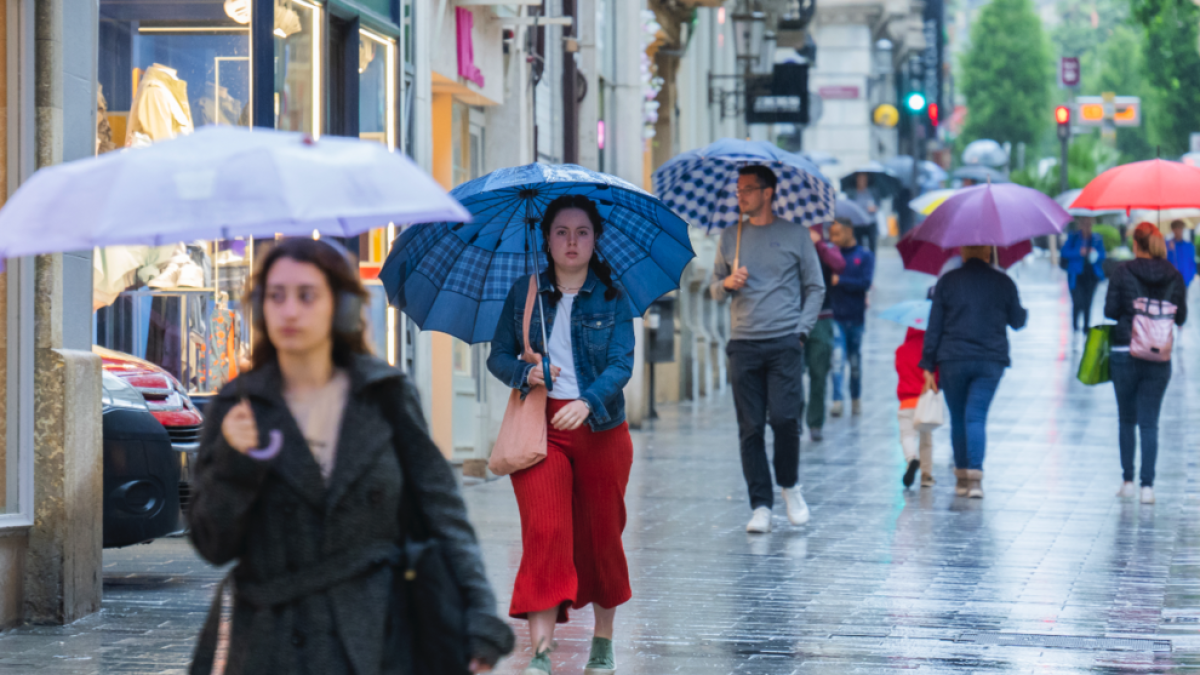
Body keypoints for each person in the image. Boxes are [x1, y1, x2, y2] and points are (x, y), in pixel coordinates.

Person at [188, 238, 512, 675]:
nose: (289, 310)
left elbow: (443, 514)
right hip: (272, 644)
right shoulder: (239, 406)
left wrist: (480, 618)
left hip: (377, 634)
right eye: (275, 295)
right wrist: (235, 461)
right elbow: (213, 545)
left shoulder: (384, 395)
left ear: (339, 306)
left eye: (307, 295)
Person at [487, 195, 636, 675]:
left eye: (583, 232)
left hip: (600, 428)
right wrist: (525, 375)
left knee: (601, 537)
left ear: (596, 239)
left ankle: (603, 642)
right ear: (546, 239)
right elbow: (499, 356)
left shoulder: (614, 297)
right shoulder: (524, 293)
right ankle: (542, 654)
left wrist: (587, 401)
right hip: (540, 428)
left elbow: (621, 363)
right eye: (561, 232)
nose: (572, 242)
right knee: (546, 532)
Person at [710, 165, 825, 534]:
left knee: (786, 419)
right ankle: (761, 505)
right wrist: (727, 282)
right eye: (738, 189)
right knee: (751, 428)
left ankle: (790, 485)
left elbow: (816, 287)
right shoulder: (731, 237)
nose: (740, 195)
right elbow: (713, 287)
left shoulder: (795, 236)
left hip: (784, 342)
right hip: (743, 343)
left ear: (768, 192)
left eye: (748, 189)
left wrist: (801, 332)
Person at [920, 246, 1027, 499]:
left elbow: (934, 325)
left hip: (952, 359)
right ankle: (975, 480)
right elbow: (1018, 321)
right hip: (990, 360)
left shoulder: (947, 282)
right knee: (976, 417)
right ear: (989, 253)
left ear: (964, 253)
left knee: (958, 417)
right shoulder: (1003, 281)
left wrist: (927, 364)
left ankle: (961, 479)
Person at [1104, 223, 1187, 505]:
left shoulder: (1122, 271)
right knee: (1149, 423)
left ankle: (1127, 481)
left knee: (1127, 419)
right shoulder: (1174, 275)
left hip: (1124, 350)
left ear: (1136, 244)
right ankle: (1147, 487)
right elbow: (1182, 317)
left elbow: (1110, 311)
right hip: (1158, 356)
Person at [828, 217, 875, 417]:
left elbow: (865, 282)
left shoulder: (864, 255)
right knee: (837, 359)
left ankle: (855, 397)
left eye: (837, 233)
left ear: (849, 231)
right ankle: (837, 399)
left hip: (855, 317)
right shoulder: (830, 256)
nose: (834, 238)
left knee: (854, 362)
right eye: (831, 234)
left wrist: (841, 281)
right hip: (835, 316)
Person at [804, 224, 845, 441]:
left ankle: (815, 423)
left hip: (821, 318)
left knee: (819, 373)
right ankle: (791, 418)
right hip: (792, 317)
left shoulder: (826, 246)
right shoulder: (791, 242)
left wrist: (818, 243)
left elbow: (839, 264)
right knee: (790, 373)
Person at [896, 325, 937, 488]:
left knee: (907, 436)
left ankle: (912, 459)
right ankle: (926, 476)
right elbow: (936, 375)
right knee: (926, 439)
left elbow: (899, 369)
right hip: (925, 402)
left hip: (906, 402)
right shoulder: (930, 353)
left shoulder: (901, 350)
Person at [1060, 217, 1107, 333]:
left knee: (1088, 302)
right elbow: (1064, 252)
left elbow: (1103, 255)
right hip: (1076, 275)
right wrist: (1079, 252)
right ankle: (1075, 326)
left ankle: (1086, 327)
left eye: (1089, 224)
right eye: (1084, 223)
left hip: (1091, 275)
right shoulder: (1074, 237)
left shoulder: (1096, 239)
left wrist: (1094, 253)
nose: (1087, 226)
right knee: (1077, 301)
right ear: (1080, 224)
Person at [851, 172, 879, 253]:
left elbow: (878, 204)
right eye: (860, 179)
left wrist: (874, 208)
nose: (862, 181)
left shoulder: (872, 191)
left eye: (864, 179)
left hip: (871, 221)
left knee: (872, 244)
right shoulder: (853, 193)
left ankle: (872, 261)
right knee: (859, 245)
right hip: (858, 222)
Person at [1166, 219, 1196, 288]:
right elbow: (1165, 262)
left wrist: (1189, 279)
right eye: (1175, 228)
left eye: (1179, 228)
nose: (1178, 230)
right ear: (1172, 230)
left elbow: (1192, 263)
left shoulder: (1189, 246)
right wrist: (1170, 251)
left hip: (1185, 282)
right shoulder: (1168, 245)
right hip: (1171, 282)